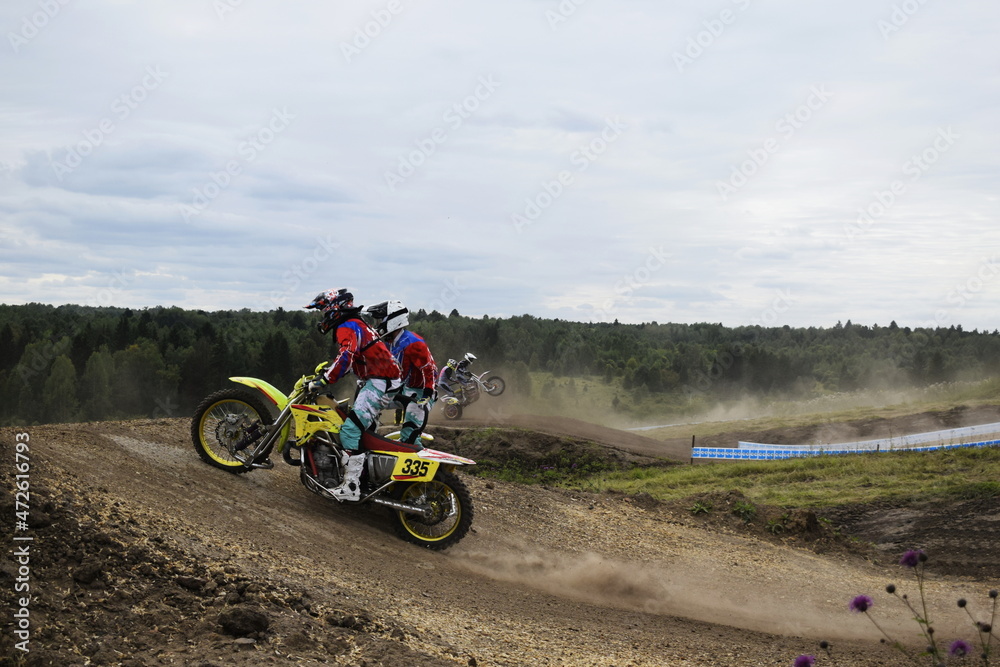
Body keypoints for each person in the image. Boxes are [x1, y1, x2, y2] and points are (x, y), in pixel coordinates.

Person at [304, 288, 402, 501]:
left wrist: (323, 380)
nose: (322, 317)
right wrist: (327, 373)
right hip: (380, 380)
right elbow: (352, 360)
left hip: (380, 381)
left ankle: (351, 487)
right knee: (362, 432)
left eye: (323, 311)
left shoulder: (347, 326)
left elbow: (346, 357)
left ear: (333, 309)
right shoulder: (355, 324)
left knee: (350, 431)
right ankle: (365, 476)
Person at [365, 300, 437, 445]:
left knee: (409, 434)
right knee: (369, 405)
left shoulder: (413, 343)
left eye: (380, 320)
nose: (378, 324)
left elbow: (428, 368)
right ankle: (369, 438)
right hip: (402, 389)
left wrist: (428, 393)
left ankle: (417, 456)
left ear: (392, 320)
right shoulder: (389, 342)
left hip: (421, 392)